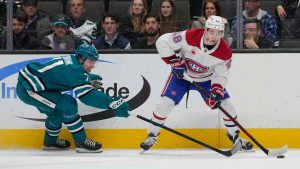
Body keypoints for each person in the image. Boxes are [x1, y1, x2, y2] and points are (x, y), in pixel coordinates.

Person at [139, 16, 253, 152]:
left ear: (222, 33)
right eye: (211, 31)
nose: (214, 36)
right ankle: (152, 134)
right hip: (181, 76)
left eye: (218, 33)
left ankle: (235, 136)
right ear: (205, 30)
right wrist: (174, 61)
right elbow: (162, 41)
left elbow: (221, 75)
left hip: (206, 80)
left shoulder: (225, 52)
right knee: (164, 104)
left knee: (227, 105)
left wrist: (216, 91)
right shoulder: (190, 36)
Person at [16, 44, 130, 153]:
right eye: (91, 61)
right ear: (81, 59)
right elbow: (87, 97)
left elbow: (67, 74)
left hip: (34, 87)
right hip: (29, 90)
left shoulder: (74, 63)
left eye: (94, 62)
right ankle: (81, 141)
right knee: (68, 104)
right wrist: (111, 103)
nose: (93, 65)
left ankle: (50, 142)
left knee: (57, 112)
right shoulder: (75, 70)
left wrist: (87, 78)